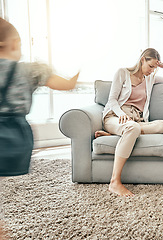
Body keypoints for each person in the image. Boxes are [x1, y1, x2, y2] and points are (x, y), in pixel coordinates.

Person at [0, 17, 79, 238]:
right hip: (16, 139)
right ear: (14, 43)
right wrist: (79, 71)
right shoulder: (29, 70)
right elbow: (67, 85)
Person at [94, 48, 163, 197]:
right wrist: (121, 115)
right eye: (150, 66)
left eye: (155, 68)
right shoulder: (122, 73)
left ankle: (117, 133)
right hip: (115, 116)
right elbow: (112, 100)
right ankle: (114, 182)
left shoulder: (150, 78)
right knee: (132, 128)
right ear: (142, 59)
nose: (152, 70)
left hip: (136, 120)